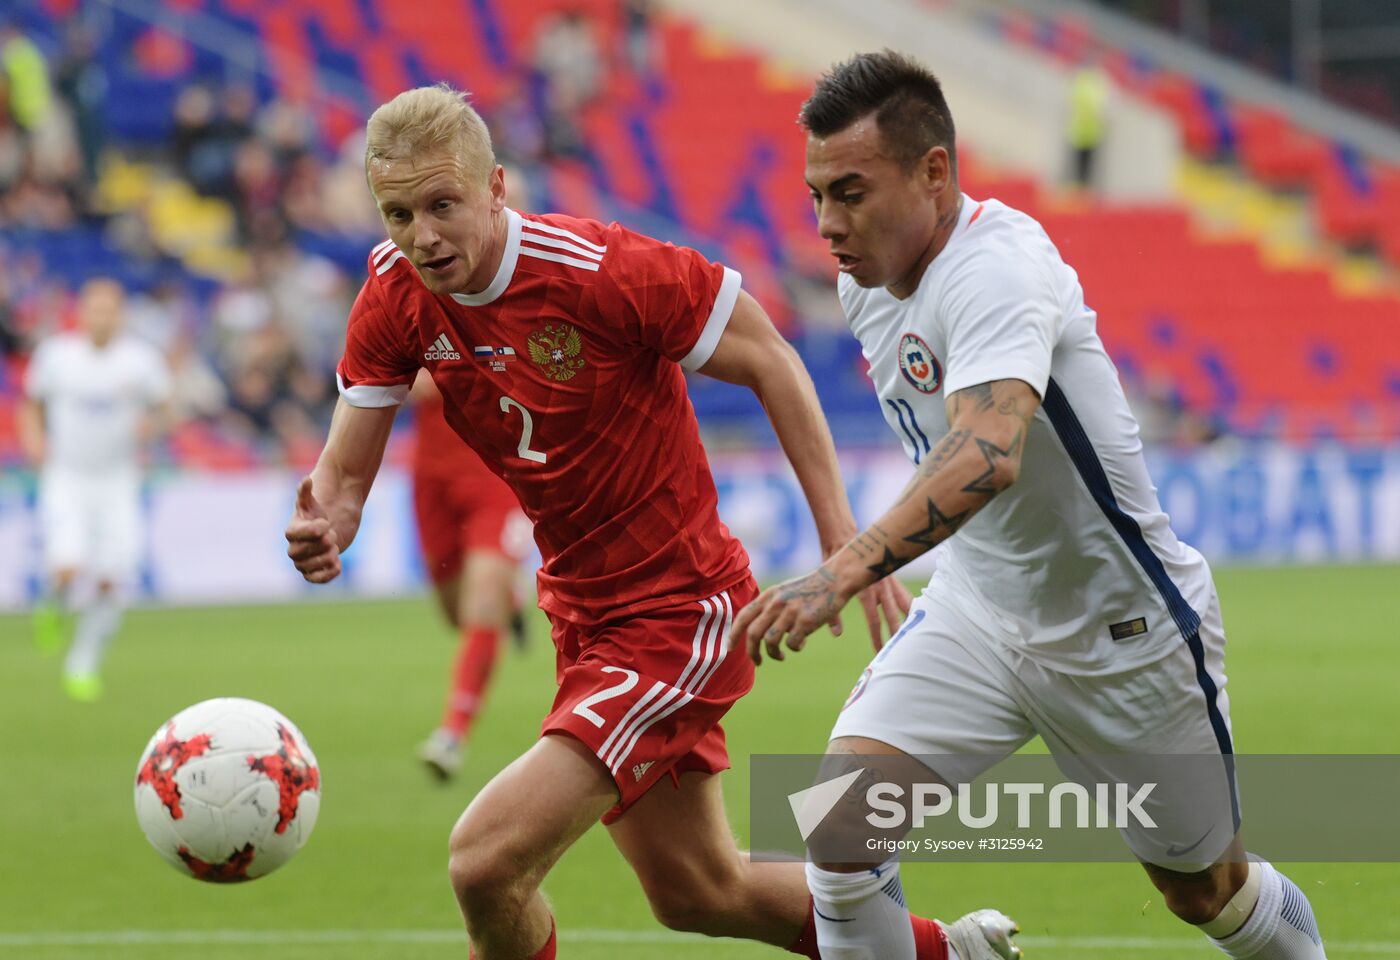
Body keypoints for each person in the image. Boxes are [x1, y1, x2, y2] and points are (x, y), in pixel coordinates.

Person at [284, 84, 1013, 960]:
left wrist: (841, 539)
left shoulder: (601, 270)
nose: (423, 236)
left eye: (443, 205)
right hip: (583, 614)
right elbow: (344, 475)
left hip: (678, 611)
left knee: (485, 862)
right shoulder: (393, 292)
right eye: (399, 214)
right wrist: (328, 522)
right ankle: (950, 953)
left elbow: (772, 359)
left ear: (496, 188)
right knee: (698, 890)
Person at [734, 51, 1325, 960]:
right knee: (842, 832)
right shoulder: (866, 282)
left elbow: (987, 452)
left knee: (1204, 890)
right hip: (977, 612)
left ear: (934, 172)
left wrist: (844, 569)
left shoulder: (998, 270)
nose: (827, 225)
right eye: (816, 196)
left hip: (1117, 634)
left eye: (851, 193)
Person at [20, 277, 171, 701]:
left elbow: (167, 408)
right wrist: (34, 440)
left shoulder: (140, 361)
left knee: (110, 579)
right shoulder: (56, 356)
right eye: (95, 309)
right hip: (67, 477)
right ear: (82, 313)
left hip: (118, 482)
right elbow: (31, 404)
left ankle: (82, 663)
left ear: (120, 315)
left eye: (110, 310)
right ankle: (52, 601)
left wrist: (154, 427)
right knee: (67, 567)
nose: (102, 318)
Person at [410, 370, 532, 780]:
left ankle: (451, 735)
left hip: (498, 475)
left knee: (481, 606)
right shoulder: (419, 321)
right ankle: (510, 596)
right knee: (456, 614)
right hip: (433, 476)